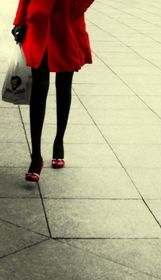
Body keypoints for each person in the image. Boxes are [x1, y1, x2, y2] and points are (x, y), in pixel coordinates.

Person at [12, 0, 94, 182]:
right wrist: (20, 20)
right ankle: (36, 156)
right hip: (38, 22)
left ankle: (59, 141)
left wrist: (75, 7)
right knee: (39, 90)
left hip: (67, 24)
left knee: (64, 85)